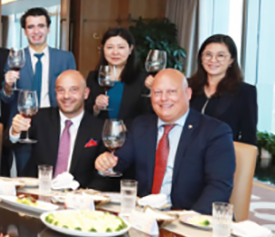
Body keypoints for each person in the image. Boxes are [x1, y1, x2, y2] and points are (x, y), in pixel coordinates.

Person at [94, 69, 235, 214]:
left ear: (188, 94)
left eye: (171, 92)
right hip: (146, 215)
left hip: (189, 215)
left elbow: (219, 187)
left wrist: (191, 218)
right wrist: (106, 162)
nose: (163, 98)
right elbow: (120, 161)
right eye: (157, 92)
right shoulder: (141, 125)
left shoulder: (215, 131)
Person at [1, 7, 76, 171]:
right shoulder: (15, 58)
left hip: (54, 123)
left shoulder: (65, 58)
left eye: (41, 26)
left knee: (54, 172)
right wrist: (7, 85)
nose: (36, 31)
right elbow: (6, 98)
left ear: (48, 29)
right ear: (25, 31)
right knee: (25, 174)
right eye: (31, 27)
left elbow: (74, 93)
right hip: (24, 123)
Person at [9, 70, 108, 189]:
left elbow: (104, 176)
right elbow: (8, 144)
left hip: (78, 195)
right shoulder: (40, 118)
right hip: (37, 192)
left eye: (74, 90)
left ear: (86, 93)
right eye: (61, 90)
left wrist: (85, 194)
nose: (66, 96)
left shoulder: (99, 128)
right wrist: (15, 131)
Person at [188, 34, 257, 145]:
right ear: (201, 58)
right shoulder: (187, 86)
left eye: (221, 55)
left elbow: (249, 136)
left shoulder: (245, 92)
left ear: (231, 60)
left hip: (223, 152)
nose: (213, 60)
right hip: (187, 152)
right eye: (208, 54)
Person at [85, 28, 150, 127]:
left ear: (130, 49)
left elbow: (147, 113)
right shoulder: (93, 77)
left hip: (132, 133)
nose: (115, 52)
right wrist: (96, 108)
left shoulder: (143, 78)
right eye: (110, 47)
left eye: (121, 47)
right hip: (99, 133)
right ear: (103, 49)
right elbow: (85, 114)